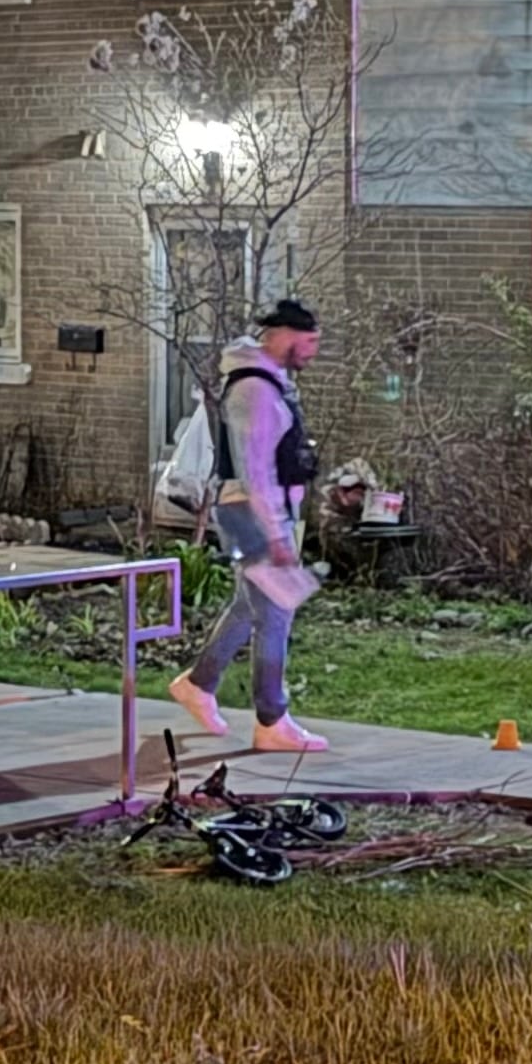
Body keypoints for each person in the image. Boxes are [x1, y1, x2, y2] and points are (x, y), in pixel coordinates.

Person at [168, 299, 328, 752]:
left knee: (250, 606)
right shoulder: (254, 390)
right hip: (250, 512)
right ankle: (271, 719)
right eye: (309, 341)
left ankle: (199, 684)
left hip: (258, 511)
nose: (313, 351)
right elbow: (254, 469)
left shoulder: (269, 381)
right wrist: (276, 534)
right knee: (276, 612)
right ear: (282, 336)